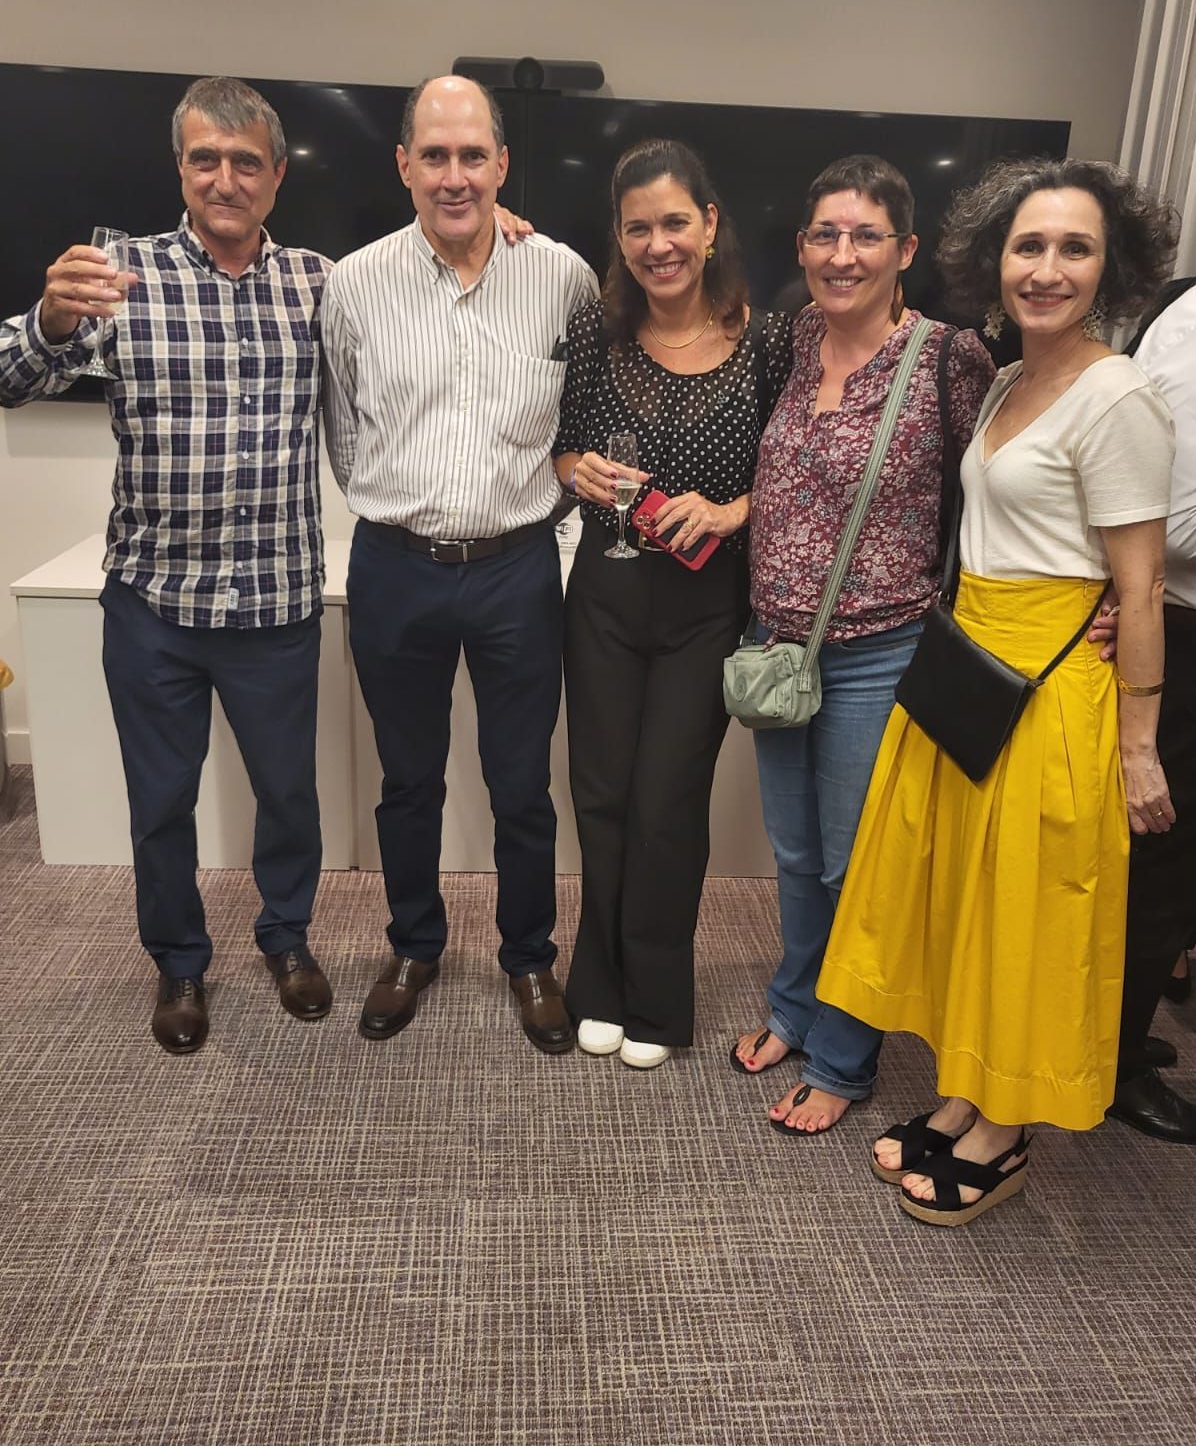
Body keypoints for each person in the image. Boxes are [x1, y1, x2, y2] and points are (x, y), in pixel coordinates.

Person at [819, 158, 1177, 1224]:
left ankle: (1006, 1130)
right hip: (974, 674)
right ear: (995, 259)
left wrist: (1138, 747)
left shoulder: (1117, 395)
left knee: (1028, 910)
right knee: (969, 900)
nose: (1046, 269)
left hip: (1053, 691)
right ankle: (965, 1094)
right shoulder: (1009, 378)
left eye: (1074, 249)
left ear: (1111, 268)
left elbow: (1139, 587)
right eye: (1028, 246)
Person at [0, 76, 335, 1054]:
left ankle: (286, 938)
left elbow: (417, 319)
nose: (225, 179)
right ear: (180, 169)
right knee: (160, 804)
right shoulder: (118, 275)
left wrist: (497, 232)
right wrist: (50, 320)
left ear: (277, 175)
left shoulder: (321, 283)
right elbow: (10, 377)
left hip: (276, 602)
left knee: (289, 796)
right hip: (153, 605)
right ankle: (179, 963)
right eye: (204, 159)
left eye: (245, 161)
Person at [321, 75, 598, 1054]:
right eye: (433, 155)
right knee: (407, 781)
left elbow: (580, 418)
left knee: (521, 784)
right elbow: (343, 431)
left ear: (502, 165)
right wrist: (400, 508)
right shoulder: (354, 285)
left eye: (472, 155)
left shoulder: (560, 276)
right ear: (403, 165)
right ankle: (413, 946)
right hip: (394, 568)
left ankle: (528, 957)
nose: (454, 176)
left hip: (517, 570)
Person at [728, 156, 995, 1130]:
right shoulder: (796, 337)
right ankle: (793, 1010)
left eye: (865, 236)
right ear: (802, 247)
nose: (842, 255)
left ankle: (843, 1059)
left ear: (905, 249)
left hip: (878, 653)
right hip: (777, 650)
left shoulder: (945, 357)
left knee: (855, 866)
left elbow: (995, 492)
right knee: (795, 854)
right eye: (825, 235)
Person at [553, 138, 792, 1068]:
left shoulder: (769, 341)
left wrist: (730, 511)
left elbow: (798, 472)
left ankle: (657, 998)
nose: (659, 244)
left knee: (666, 801)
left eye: (676, 222)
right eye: (638, 227)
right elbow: (564, 450)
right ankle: (597, 986)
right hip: (606, 591)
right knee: (601, 794)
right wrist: (580, 473)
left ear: (711, 224)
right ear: (619, 238)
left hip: (706, 602)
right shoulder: (595, 333)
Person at [1106, 276, 1196, 1142]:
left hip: (1161, 616)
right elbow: (1166, 531)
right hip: (1172, 625)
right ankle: (1117, 1059)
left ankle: (1118, 1035)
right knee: (1160, 855)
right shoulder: (1191, 319)